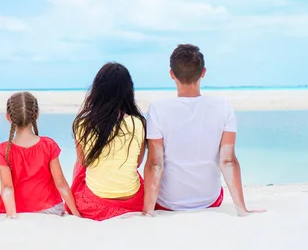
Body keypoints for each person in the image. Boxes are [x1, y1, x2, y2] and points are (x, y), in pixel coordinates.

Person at [143, 44, 266, 216]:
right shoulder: (223, 107)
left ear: (172, 74)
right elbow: (228, 161)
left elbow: (155, 164)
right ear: (203, 72)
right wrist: (242, 210)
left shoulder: (157, 109)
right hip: (211, 200)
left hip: (167, 204)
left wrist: (148, 212)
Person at [68, 62, 147, 221]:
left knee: (80, 166)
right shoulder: (138, 123)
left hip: (96, 203)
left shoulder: (82, 124)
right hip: (133, 201)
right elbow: (138, 163)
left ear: (97, 90)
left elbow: (83, 162)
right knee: (127, 164)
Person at [0, 91, 80, 219]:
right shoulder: (48, 145)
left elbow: (7, 188)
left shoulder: (3, 149)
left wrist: (11, 217)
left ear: (8, 117)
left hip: (16, 210)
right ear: (36, 115)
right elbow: (61, 184)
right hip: (49, 209)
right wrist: (76, 214)